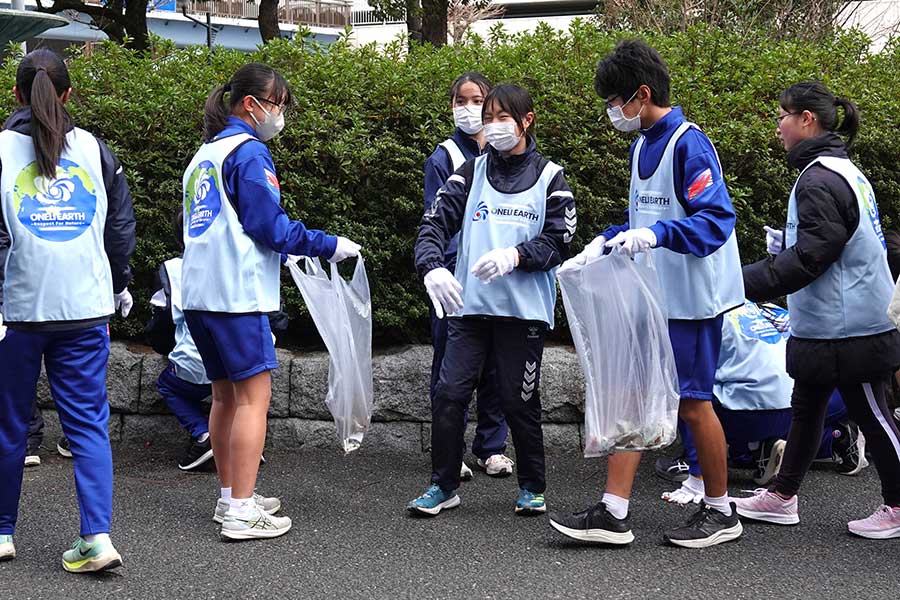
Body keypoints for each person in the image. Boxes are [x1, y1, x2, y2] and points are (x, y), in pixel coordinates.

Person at [549, 39, 744, 548]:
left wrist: (655, 236)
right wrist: (607, 239)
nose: (613, 112)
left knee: (694, 404)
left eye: (615, 102)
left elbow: (716, 222)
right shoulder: (642, 144)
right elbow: (646, 219)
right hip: (655, 296)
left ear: (640, 93)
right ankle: (613, 512)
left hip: (691, 301)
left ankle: (722, 511)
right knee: (633, 396)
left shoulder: (688, 143)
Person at [182, 63, 361, 541]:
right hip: (237, 295)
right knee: (253, 399)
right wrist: (329, 244)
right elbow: (270, 226)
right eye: (277, 105)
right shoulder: (249, 153)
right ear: (251, 105)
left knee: (223, 396)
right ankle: (242, 510)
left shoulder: (204, 154)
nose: (279, 114)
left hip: (200, 294)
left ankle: (230, 497)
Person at [734, 82, 900, 539]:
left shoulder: (819, 177)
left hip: (852, 326)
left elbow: (813, 255)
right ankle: (782, 497)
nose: (779, 126)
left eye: (783, 116)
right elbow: (828, 243)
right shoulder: (838, 170)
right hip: (832, 323)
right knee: (806, 409)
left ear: (807, 119)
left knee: (873, 414)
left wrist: (740, 280)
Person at [410, 83, 577, 516]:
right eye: (489, 118)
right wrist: (432, 267)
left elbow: (560, 241)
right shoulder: (469, 173)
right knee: (448, 394)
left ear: (527, 121)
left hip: (522, 314)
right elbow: (432, 225)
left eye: (504, 117)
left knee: (518, 400)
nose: (494, 126)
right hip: (470, 307)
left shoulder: (550, 177)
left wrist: (516, 256)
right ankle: (442, 485)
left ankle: (532, 486)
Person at [0, 50, 135, 571]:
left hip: (15, 312)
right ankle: (96, 539)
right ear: (68, 95)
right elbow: (119, 229)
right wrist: (118, 284)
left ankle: (3, 532)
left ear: (15, 95)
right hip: (84, 308)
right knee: (87, 427)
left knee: (8, 425)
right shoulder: (94, 150)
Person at [660, 302, 867, 506]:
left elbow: (693, 394)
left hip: (751, 414)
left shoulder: (691, 314)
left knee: (688, 391)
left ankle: (726, 458)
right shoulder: (765, 306)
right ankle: (835, 437)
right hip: (813, 398)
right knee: (799, 428)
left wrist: (698, 469)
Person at [144, 211, 287, 472]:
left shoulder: (174, 269)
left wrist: (167, 350)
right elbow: (276, 317)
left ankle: (203, 434)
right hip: (247, 356)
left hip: (196, 362)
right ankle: (247, 447)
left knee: (171, 387)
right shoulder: (251, 260)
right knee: (246, 400)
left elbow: (162, 320)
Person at [423, 72, 512, 480]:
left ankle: (491, 447)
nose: (470, 109)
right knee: (450, 370)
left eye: (478, 100)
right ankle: (450, 451)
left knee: (494, 366)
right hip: (454, 277)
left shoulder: (507, 156)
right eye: (462, 100)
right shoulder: (444, 157)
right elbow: (436, 221)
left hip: (496, 275)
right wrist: (440, 267)